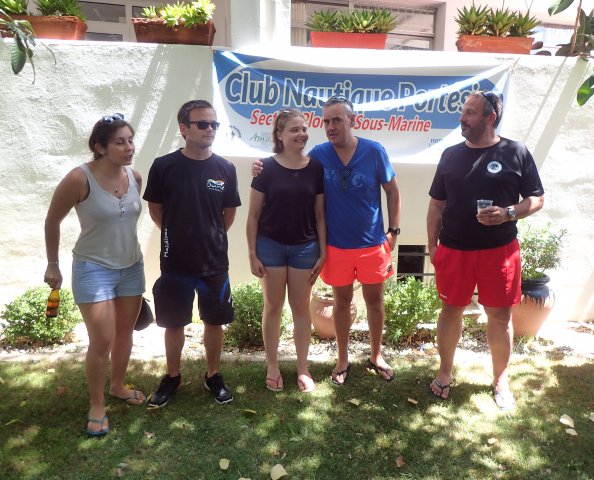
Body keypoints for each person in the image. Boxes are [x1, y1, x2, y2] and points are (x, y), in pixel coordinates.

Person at [254, 96, 401, 386]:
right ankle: (342, 359)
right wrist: (261, 169)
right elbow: (290, 164)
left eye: (337, 120)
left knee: (375, 302)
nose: (330, 126)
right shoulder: (319, 155)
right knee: (341, 303)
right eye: (326, 121)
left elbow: (393, 191)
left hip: (372, 244)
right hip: (336, 246)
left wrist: (393, 231)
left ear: (352, 121)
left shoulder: (374, 151)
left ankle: (376, 355)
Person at [426, 91, 544, 410]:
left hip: (499, 251)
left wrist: (508, 212)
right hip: (454, 249)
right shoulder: (450, 155)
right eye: (463, 112)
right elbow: (436, 206)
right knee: (450, 311)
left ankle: (500, 379)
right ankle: (445, 371)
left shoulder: (516, 152)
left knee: (500, 316)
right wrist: (432, 246)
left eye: (470, 113)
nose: (462, 118)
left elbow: (536, 199)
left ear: (490, 117)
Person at [44, 113, 146, 437]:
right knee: (102, 340)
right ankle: (97, 403)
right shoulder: (79, 178)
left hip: (131, 266)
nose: (129, 147)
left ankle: (117, 385)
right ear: (100, 147)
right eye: (120, 142)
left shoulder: (135, 176)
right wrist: (52, 264)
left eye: (130, 140)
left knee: (125, 333)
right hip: (93, 268)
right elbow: (52, 220)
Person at [143, 100, 241, 407]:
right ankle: (173, 376)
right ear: (184, 128)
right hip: (175, 262)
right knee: (174, 323)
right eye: (202, 124)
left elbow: (228, 213)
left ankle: (213, 375)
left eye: (214, 124)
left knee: (214, 321)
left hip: (214, 262)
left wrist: (210, 236)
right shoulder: (164, 166)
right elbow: (156, 209)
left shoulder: (225, 168)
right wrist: (176, 234)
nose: (210, 129)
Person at [246, 109, 326, 393]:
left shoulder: (316, 168)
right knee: (273, 306)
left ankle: (303, 368)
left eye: (304, 129)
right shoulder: (265, 168)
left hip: (305, 248)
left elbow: (320, 216)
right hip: (270, 247)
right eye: (294, 129)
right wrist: (252, 254)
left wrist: (323, 252)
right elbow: (253, 215)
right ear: (279, 135)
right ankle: (272, 366)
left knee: (301, 308)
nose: (301, 134)